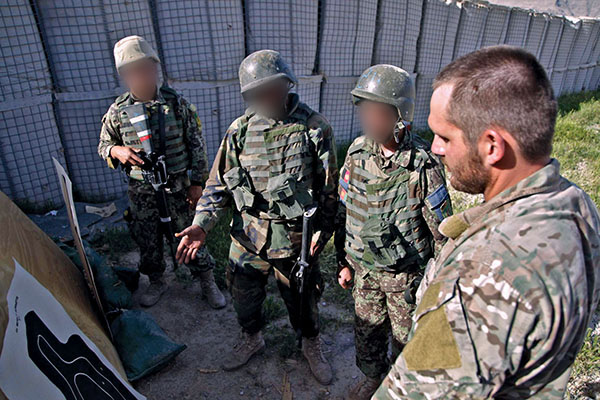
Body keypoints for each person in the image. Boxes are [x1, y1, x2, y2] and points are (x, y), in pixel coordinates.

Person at [374, 45, 600, 399]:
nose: (435, 148)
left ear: (492, 146)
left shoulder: (482, 278)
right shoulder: (574, 204)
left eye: (445, 137)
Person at [175, 50, 339, 384]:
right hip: (248, 238)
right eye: (258, 91)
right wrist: (202, 224)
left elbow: (330, 191)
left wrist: (323, 233)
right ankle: (252, 337)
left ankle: (310, 342)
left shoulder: (313, 129)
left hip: (295, 240)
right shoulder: (239, 131)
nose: (267, 96)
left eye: (273, 88)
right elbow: (217, 185)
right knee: (243, 299)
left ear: (286, 85)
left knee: (303, 301)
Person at [334, 65, 451, 399]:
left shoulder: (423, 164)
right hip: (364, 274)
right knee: (367, 335)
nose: (370, 119)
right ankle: (373, 378)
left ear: (401, 115)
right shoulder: (356, 156)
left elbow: (443, 235)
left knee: (407, 342)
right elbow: (346, 214)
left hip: (406, 281)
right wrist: (343, 262)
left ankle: (401, 389)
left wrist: (436, 288)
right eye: (365, 111)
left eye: (378, 112)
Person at [98, 35, 225, 309]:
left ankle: (205, 280)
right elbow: (104, 145)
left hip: (178, 188)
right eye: (134, 71)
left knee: (188, 234)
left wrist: (197, 184)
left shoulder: (176, 105)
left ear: (155, 68)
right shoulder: (118, 112)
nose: (142, 76)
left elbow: (196, 145)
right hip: (142, 192)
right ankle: (157, 280)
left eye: (146, 68)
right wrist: (116, 151)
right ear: (124, 76)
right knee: (148, 239)